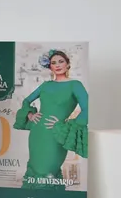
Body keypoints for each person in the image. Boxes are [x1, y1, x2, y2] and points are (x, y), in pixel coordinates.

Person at [14, 49, 89, 188]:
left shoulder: (75, 85)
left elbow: (88, 108)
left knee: (47, 171)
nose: (58, 65)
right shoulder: (46, 85)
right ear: (50, 67)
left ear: (67, 64)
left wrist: (66, 127)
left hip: (55, 135)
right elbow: (26, 102)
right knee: (35, 169)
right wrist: (30, 115)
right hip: (37, 133)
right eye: (53, 63)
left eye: (61, 61)